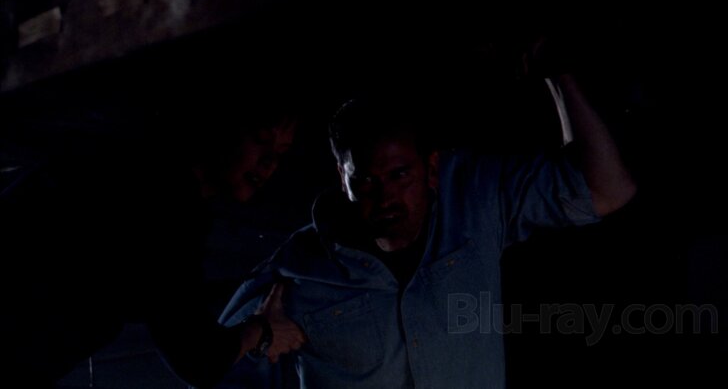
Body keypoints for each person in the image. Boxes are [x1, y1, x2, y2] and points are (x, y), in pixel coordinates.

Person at [218, 72, 637, 388]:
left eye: (400, 174)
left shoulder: (475, 207)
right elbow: (205, 368)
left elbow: (606, 189)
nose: (385, 197)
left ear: (431, 169)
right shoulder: (295, 274)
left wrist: (558, 73)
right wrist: (254, 334)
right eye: (366, 181)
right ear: (342, 180)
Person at [1, 95, 306, 388]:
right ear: (220, 128)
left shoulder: (130, 167)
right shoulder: (163, 204)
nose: (269, 163)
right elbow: (200, 360)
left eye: (280, 153)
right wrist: (261, 331)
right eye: (261, 141)